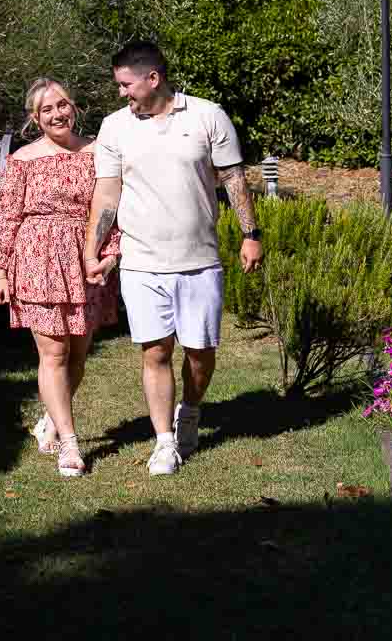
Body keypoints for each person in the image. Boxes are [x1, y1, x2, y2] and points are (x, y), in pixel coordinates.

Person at [84, 40, 263, 476]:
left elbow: (233, 179)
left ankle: (192, 408)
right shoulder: (114, 128)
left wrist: (251, 233)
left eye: (126, 84)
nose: (122, 93)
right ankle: (164, 442)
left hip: (200, 261)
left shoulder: (207, 116)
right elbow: (107, 193)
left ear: (153, 78)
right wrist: (93, 248)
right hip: (142, 261)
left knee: (200, 354)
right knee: (155, 352)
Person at [0, 76, 119, 477]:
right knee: (54, 353)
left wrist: (109, 253)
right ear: (35, 117)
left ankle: (50, 419)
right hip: (37, 258)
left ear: (74, 107)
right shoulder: (23, 160)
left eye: (62, 105)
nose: (57, 113)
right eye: (47, 109)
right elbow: (7, 217)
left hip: (85, 257)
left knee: (78, 353)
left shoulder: (100, 152)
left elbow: (112, 204)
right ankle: (69, 442)